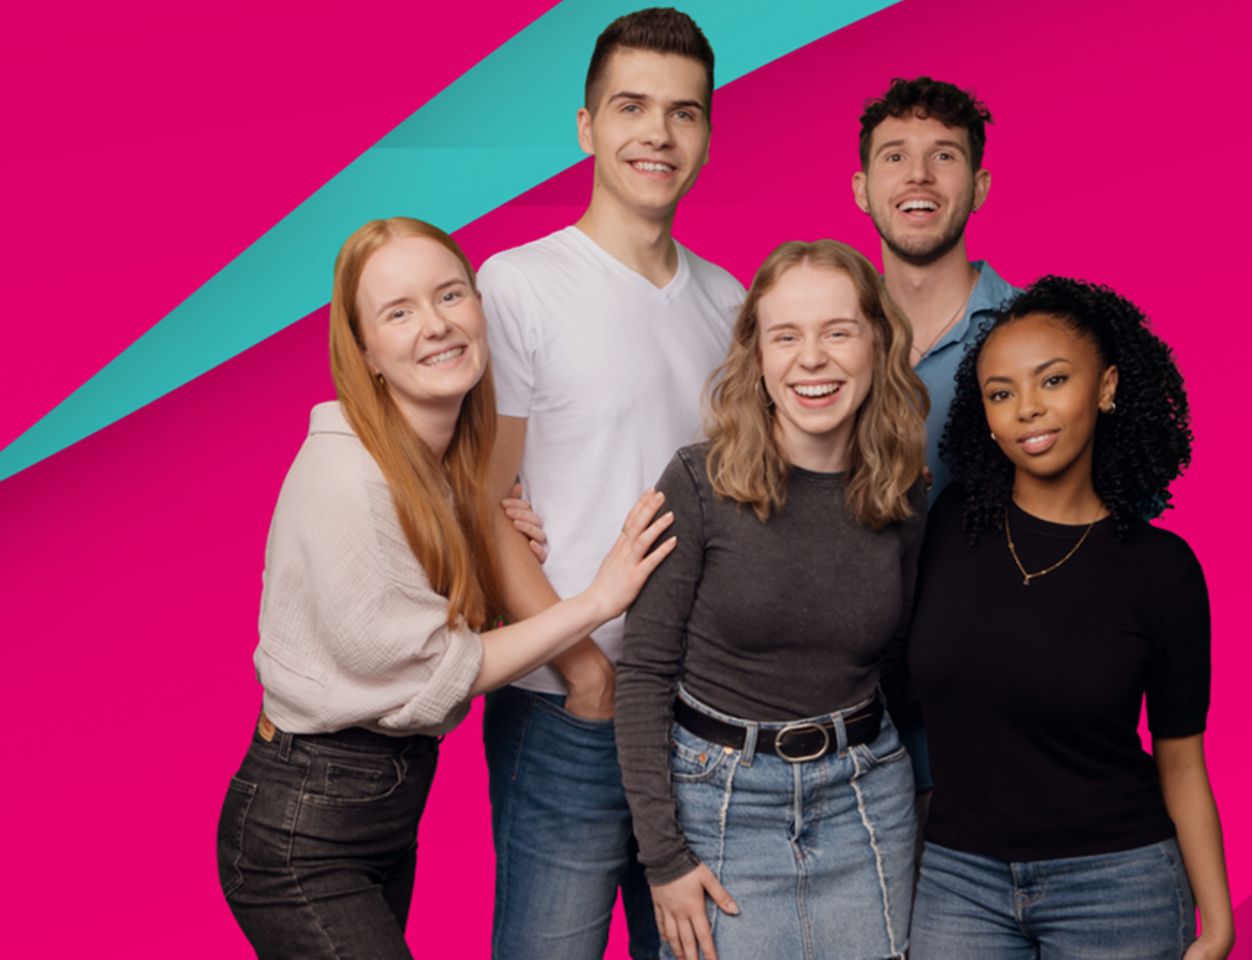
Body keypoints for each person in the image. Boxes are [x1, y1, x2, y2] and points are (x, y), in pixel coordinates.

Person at [216, 217, 677, 959]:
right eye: (398, 312)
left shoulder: (432, 473)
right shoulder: (350, 479)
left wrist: (480, 542)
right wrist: (597, 601)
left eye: (450, 295)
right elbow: (436, 667)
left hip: (378, 812)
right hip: (304, 828)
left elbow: (416, 621)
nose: (435, 325)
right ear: (364, 351)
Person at [476, 9, 745, 958]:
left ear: (707, 132)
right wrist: (584, 671)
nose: (657, 135)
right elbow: (483, 500)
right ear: (587, 125)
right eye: (631, 107)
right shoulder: (518, 285)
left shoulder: (734, 303)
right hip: (567, 709)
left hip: (701, 714)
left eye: (683, 113)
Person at [616, 239, 931, 960]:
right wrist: (663, 859)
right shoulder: (698, 484)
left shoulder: (903, 492)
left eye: (837, 332)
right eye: (785, 336)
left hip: (866, 796)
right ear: (756, 357)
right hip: (721, 803)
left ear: (877, 346)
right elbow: (642, 678)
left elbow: (905, 666)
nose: (811, 358)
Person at [906, 277, 1235, 958]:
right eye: (1002, 393)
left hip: (1117, 883)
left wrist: (1219, 918)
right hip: (957, 880)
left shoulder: (1161, 570)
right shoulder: (945, 530)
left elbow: (1180, 760)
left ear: (1107, 388)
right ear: (985, 415)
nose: (1028, 409)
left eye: (1052, 381)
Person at [852, 76, 1020, 809]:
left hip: (998, 735)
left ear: (979, 186)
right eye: (896, 157)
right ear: (862, 188)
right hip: (848, 741)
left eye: (943, 157)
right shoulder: (817, 349)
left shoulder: (1036, 339)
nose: (918, 175)